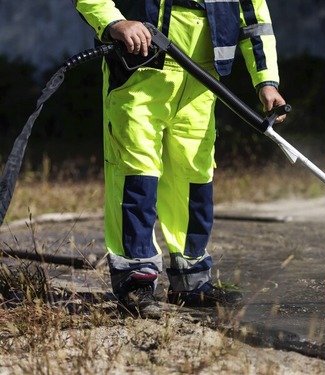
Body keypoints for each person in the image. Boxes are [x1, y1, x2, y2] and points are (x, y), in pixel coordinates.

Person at [74, 0, 286, 318]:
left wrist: (266, 81)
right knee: (136, 171)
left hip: (202, 79)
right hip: (140, 72)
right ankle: (136, 280)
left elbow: (255, 17)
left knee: (193, 175)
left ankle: (191, 280)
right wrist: (115, 24)